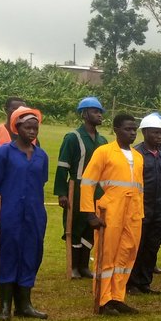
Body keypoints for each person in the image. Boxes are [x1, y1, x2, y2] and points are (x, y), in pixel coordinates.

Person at [0, 107, 48, 320]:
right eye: (27, 127)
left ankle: (24, 304)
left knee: (31, 255)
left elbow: (40, 183)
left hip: (34, 214)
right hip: (10, 213)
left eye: (35, 128)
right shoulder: (4, 152)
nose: (32, 132)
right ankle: (4, 306)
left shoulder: (41, 156)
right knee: (8, 256)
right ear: (16, 128)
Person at [79, 114, 144, 316]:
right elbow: (88, 183)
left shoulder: (138, 156)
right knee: (107, 254)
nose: (132, 133)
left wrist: (140, 213)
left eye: (134, 129)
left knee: (127, 253)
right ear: (116, 129)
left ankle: (117, 297)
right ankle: (103, 298)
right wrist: (90, 214)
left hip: (133, 213)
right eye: (127, 129)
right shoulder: (104, 152)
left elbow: (139, 188)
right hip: (111, 210)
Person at [56, 97, 108, 279]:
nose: (99, 115)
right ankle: (74, 266)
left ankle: (85, 265)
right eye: (95, 111)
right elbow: (63, 165)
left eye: (100, 111)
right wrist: (62, 193)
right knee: (75, 225)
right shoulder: (73, 137)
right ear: (84, 114)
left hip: (98, 190)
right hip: (77, 187)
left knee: (91, 227)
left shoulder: (103, 140)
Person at [128, 113, 161, 296]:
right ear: (145, 132)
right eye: (155, 133)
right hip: (142, 208)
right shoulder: (136, 153)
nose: (159, 136)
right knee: (138, 246)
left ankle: (145, 283)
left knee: (153, 246)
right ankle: (132, 283)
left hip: (160, 208)